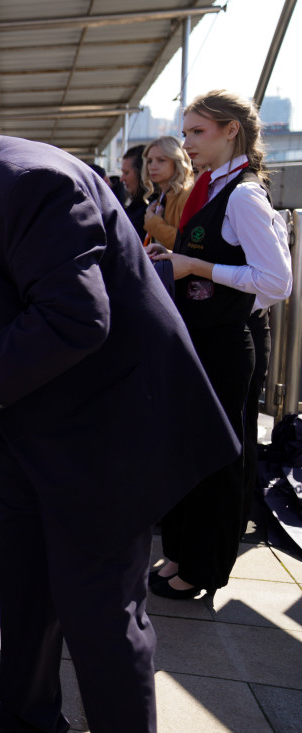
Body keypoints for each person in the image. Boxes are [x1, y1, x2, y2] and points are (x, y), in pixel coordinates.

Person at [0, 90, 240, 733]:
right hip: (31, 435)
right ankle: (26, 717)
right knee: (28, 592)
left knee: (99, 617)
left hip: (101, 442)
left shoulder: (33, 181)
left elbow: (74, 320)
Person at [147, 90, 292, 602]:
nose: (187, 143)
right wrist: (175, 257)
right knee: (190, 447)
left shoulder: (244, 195)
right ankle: (184, 551)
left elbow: (276, 282)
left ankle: (203, 566)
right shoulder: (214, 186)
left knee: (220, 454)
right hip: (203, 337)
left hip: (224, 343)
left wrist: (195, 267)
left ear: (232, 130)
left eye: (196, 132)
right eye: (185, 132)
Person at [141, 136, 194, 250]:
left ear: (177, 162)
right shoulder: (164, 196)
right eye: (149, 161)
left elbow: (190, 244)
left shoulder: (187, 195)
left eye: (161, 160)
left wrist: (153, 223)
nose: (152, 166)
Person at [120, 145, 148, 240]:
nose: (121, 179)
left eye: (126, 173)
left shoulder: (155, 207)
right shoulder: (134, 205)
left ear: (141, 173)